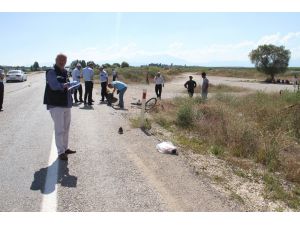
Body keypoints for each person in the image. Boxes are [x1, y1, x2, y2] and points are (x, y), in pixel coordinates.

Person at [43, 54, 76, 161]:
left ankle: (65, 148)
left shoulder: (65, 72)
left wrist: (72, 87)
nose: (62, 62)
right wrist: (65, 85)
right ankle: (60, 152)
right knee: (59, 129)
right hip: (56, 104)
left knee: (66, 128)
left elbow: (67, 86)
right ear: (56, 60)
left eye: (64, 60)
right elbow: (54, 85)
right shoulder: (51, 71)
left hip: (66, 103)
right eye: (60, 60)